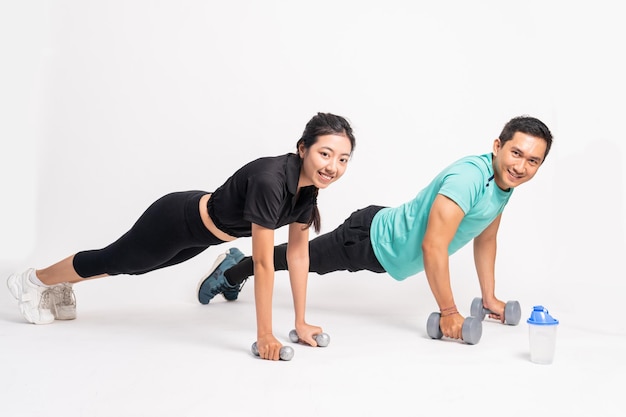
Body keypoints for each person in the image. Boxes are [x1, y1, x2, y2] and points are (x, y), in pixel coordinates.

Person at [6, 112, 356, 361]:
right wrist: (265, 334)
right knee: (116, 259)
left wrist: (299, 322)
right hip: (176, 221)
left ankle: (60, 283)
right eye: (325, 154)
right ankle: (33, 281)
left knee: (132, 267)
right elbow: (264, 263)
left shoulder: (307, 189)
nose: (333, 167)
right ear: (302, 148)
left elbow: (298, 256)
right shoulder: (271, 181)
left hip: (200, 236)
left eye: (343, 159)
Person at [198, 115, 553, 342]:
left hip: (384, 240)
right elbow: (433, 246)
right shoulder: (469, 179)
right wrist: (448, 313)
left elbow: (486, 236)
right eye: (516, 154)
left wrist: (488, 298)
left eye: (533, 160)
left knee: (301, 259)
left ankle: (236, 264)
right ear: (498, 147)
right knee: (300, 259)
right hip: (367, 239)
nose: (521, 166)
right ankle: (235, 267)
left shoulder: (502, 185)